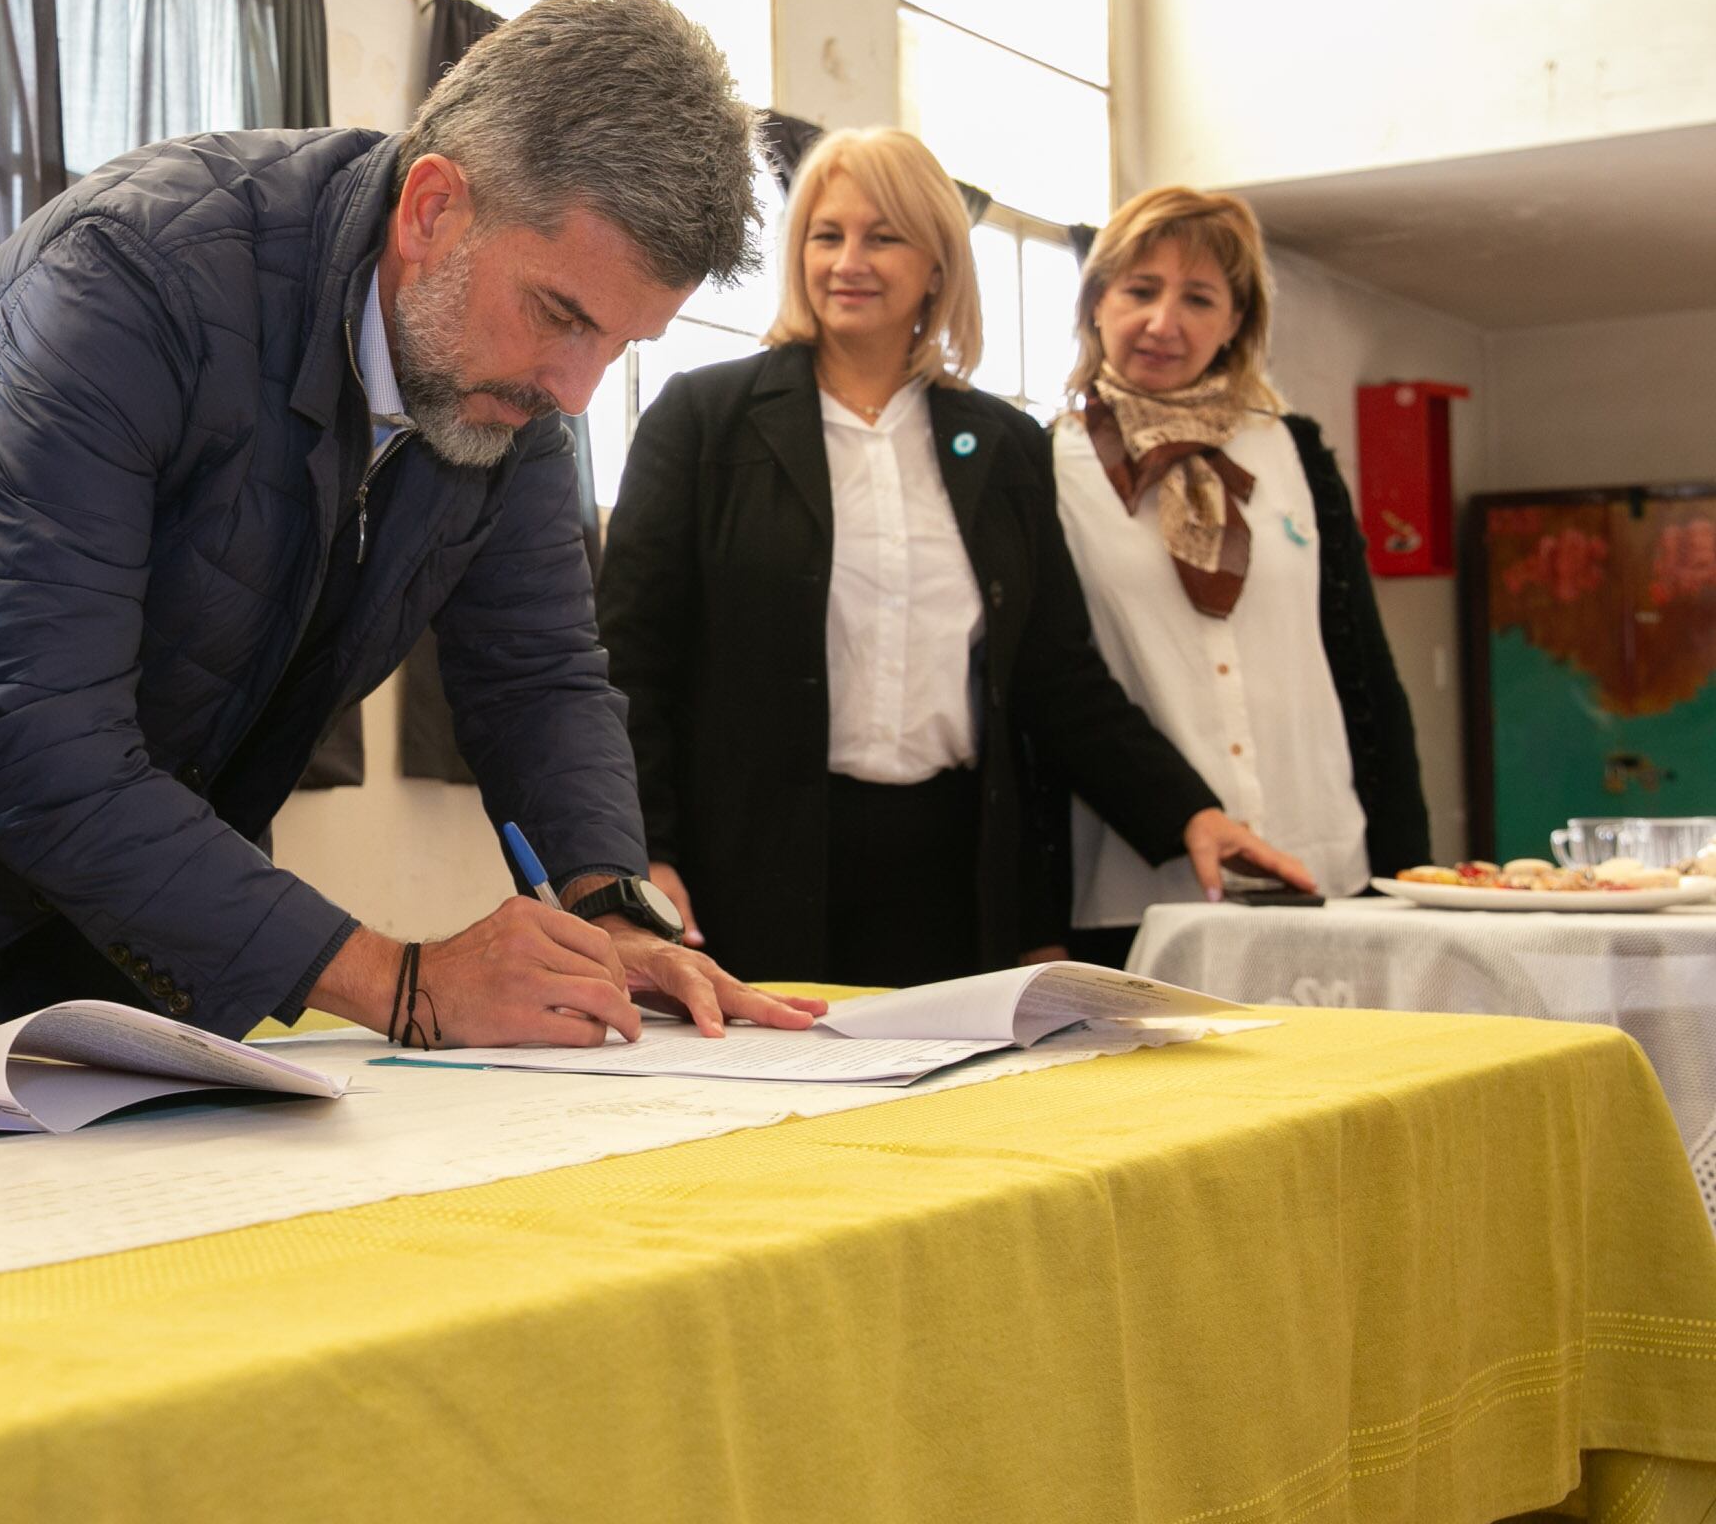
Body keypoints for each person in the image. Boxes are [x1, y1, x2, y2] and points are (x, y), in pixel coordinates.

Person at [0, 0, 827, 1052]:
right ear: (431, 208)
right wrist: (404, 981)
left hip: (112, 900)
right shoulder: (134, 275)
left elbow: (537, 672)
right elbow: (38, 743)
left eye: (621, 345)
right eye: (560, 315)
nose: (579, 389)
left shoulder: (514, 387)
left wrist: (612, 914)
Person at [594, 129, 1313, 989]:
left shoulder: (1004, 445)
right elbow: (631, 659)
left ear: (937, 265)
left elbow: (1057, 675)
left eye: (883, 236)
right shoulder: (704, 417)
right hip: (748, 871)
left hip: (952, 877)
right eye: (827, 235)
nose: (848, 261)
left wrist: (1186, 812)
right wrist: (647, 855)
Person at [1050, 187, 1429, 966]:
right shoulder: (1045, 463)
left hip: (1323, 861)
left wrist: (1411, 870)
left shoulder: (1294, 451)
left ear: (1234, 323)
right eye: (1140, 291)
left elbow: (1364, 673)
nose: (1164, 322)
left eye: (1198, 298)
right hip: (1142, 880)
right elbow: (1055, 683)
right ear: (1096, 304)